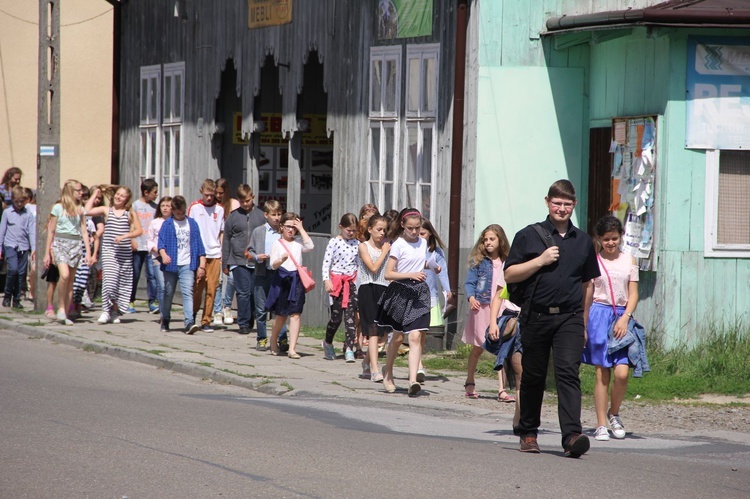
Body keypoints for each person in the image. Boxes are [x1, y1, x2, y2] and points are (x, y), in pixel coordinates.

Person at [504, 179, 599, 458]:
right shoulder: (528, 236)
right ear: (547, 202)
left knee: (568, 373)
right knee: (533, 376)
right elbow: (509, 275)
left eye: (567, 204)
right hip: (536, 316)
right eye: (557, 203)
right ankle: (529, 433)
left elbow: (587, 285)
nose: (561, 208)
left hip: (569, 318)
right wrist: (540, 261)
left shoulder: (583, 241)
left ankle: (572, 436)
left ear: (574, 205)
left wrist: (583, 321)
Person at [582, 215, 640, 441]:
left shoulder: (630, 261)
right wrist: (583, 321)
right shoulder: (593, 261)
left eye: (614, 238)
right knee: (601, 372)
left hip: (622, 317)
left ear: (621, 237)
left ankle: (614, 413)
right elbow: (587, 292)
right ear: (598, 239)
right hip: (598, 314)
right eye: (606, 239)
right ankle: (600, 424)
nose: (610, 243)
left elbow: (633, 292)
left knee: (622, 373)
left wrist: (626, 317)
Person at [377, 207, 437, 397]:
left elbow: (420, 261)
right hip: (401, 292)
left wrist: (432, 266)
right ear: (402, 226)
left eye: (417, 228)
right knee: (397, 338)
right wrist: (411, 274)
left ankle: (412, 380)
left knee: (415, 337)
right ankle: (388, 372)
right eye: (410, 228)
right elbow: (388, 274)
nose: (414, 231)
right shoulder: (398, 245)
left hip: (419, 293)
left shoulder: (423, 242)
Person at [463, 224, 520, 402]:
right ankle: (470, 381)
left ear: (500, 240)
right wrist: (471, 298)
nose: (488, 242)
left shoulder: (508, 262)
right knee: (478, 348)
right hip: (482, 308)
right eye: (485, 239)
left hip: (502, 308)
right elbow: (470, 283)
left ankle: (502, 389)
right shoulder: (478, 262)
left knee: (501, 349)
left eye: (492, 239)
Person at [86, 185, 143, 325]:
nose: (118, 197)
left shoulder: (129, 213)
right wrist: (95, 195)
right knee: (109, 281)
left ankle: (114, 311)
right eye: (117, 194)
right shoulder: (107, 210)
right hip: (109, 251)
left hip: (124, 253)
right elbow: (86, 211)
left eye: (122, 196)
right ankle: (105, 310)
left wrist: (126, 236)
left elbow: (139, 230)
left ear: (127, 199)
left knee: (120, 283)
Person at [43, 179, 92, 325]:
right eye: (78, 190)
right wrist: (47, 252)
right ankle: (61, 307)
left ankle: (66, 312)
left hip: (75, 244)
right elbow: (51, 231)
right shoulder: (58, 208)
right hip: (60, 243)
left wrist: (88, 252)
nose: (81, 192)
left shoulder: (80, 209)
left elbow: (84, 231)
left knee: (71, 280)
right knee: (63, 275)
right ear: (71, 191)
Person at [264, 212, 314, 358]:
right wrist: (281, 259)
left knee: (296, 314)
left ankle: (292, 349)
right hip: (282, 280)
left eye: (293, 227)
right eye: (288, 227)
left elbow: (310, 246)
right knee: (280, 316)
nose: (291, 230)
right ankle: (273, 340)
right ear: (281, 227)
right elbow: (273, 265)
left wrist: (302, 228)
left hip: (296, 280)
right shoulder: (277, 244)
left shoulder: (298, 244)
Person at [221, 184, 265, 335]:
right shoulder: (233, 216)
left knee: (254, 292)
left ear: (252, 197)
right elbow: (226, 239)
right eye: (242, 201)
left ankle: (251, 317)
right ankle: (243, 322)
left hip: (256, 259)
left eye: (248, 200)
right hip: (237, 259)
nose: (245, 204)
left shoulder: (261, 215)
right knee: (243, 292)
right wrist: (225, 262)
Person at [158, 196, 206, 334]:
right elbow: (161, 243)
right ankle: (165, 318)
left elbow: (199, 244)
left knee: (188, 292)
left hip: (187, 264)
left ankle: (189, 322)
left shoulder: (192, 223)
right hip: (171, 265)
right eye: (177, 213)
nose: (180, 215)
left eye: (182, 212)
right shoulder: (167, 224)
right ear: (173, 211)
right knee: (168, 292)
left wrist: (201, 264)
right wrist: (164, 255)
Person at [247, 200, 288, 351]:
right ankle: (262, 338)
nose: (277, 218)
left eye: (279, 214)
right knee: (261, 308)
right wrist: (257, 257)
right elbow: (249, 251)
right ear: (266, 215)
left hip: (279, 273)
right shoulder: (259, 232)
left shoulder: (283, 231)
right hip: (262, 273)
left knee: (280, 309)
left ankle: (282, 339)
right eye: (273, 215)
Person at [321, 213, 360, 362]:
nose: (351, 233)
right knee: (336, 319)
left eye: (354, 230)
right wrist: (326, 280)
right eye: (348, 230)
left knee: (350, 318)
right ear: (341, 228)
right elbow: (326, 262)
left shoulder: (357, 244)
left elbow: (357, 263)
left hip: (351, 283)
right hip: (336, 283)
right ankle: (328, 342)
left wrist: (357, 282)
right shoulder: (334, 242)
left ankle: (349, 348)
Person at [417, 218, 452, 380]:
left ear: (430, 233)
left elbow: (442, 271)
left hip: (430, 294)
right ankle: (417, 365)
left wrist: (447, 289)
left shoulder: (436, 252)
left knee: (423, 332)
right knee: (414, 333)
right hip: (413, 295)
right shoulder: (413, 248)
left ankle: (417, 362)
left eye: (422, 233)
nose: (419, 236)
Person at [188, 179, 224, 333]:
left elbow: (221, 231)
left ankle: (206, 320)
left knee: (212, 289)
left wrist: (222, 251)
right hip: (198, 254)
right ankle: (193, 313)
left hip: (215, 253)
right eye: (207, 195)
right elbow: (189, 230)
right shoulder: (195, 208)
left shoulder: (220, 209)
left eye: (212, 195)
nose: (209, 198)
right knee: (197, 287)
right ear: (201, 191)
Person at [357, 215, 390, 381]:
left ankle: (366, 362)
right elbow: (373, 268)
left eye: (384, 230)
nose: (382, 233)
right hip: (368, 288)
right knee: (373, 329)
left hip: (383, 289)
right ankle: (375, 370)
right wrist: (384, 252)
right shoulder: (363, 246)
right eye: (379, 229)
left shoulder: (387, 247)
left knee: (383, 333)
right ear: (370, 229)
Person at [71, 186, 103, 318]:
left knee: (82, 280)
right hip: (73, 250)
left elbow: (95, 238)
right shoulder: (74, 212)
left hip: (86, 252)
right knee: (73, 280)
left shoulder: (90, 221)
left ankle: (77, 305)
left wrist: (93, 254)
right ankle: (72, 306)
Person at [0, 186, 35, 308]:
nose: (19, 204)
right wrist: (0, 248)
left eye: (22, 201)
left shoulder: (28, 214)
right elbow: (2, 231)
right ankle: (7, 294)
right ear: (13, 200)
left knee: (21, 274)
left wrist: (34, 248)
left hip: (23, 247)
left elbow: (31, 231)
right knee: (12, 270)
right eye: (17, 202)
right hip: (10, 245)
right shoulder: (7, 213)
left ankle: (16, 299)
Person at [213, 178, 242, 326]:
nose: (218, 196)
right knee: (217, 281)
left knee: (231, 278)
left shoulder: (233, 204)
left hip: (231, 247)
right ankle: (217, 310)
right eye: (216, 193)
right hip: (215, 247)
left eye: (221, 193)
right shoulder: (211, 206)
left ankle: (227, 306)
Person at [130, 178, 160, 314]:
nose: (156, 194)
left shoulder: (155, 207)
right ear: (146, 192)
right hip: (137, 245)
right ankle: (130, 301)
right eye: (154, 192)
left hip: (150, 247)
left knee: (152, 275)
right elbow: (130, 224)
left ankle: (153, 302)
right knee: (135, 274)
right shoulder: (135, 206)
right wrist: (132, 239)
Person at [147, 196, 173, 324]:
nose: (165, 208)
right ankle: (164, 314)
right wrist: (156, 250)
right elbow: (149, 240)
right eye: (163, 205)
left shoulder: (175, 222)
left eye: (168, 205)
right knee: (162, 286)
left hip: (172, 257)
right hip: (157, 257)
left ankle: (167, 310)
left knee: (169, 287)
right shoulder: (155, 222)